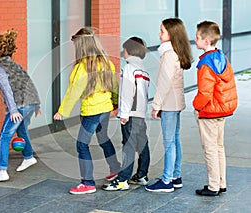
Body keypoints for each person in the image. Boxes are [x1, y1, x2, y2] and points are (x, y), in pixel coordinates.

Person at [53, 27, 121, 195]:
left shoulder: (82, 67)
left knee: (82, 144)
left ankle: (87, 182)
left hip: (91, 112)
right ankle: (116, 169)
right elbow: (114, 86)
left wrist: (63, 111)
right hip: (105, 108)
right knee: (103, 138)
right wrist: (115, 104)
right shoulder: (107, 62)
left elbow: (73, 90)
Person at [145, 18, 193, 192]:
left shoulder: (168, 54)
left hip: (169, 104)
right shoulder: (176, 52)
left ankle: (166, 181)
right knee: (174, 140)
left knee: (169, 142)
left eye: (162, 31)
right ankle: (175, 176)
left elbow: (164, 83)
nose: (159, 34)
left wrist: (156, 105)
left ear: (172, 34)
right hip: (176, 102)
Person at [0, 30, 41, 182]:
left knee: (4, 136)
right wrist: (36, 104)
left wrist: (13, 110)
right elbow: (28, 82)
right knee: (22, 131)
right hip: (30, 103)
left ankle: (2, 170)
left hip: (19, 106)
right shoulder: (14, 65)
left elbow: (7, 90)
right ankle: (29, 157)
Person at [193, 21, 238, 196]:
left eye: (197, 37)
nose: (195, 40)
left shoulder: (205, 64)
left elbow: (204, 93)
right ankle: (221, 183)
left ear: (206, 41)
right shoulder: (221, 57)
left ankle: (213, 186)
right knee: (219, 147)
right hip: (222, 109)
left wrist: (196, 107)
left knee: (210, 149)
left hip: (209, 112)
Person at [103, 37, 150, 191]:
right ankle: (141, 174)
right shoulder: (143, 69)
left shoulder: (129, 68)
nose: (123, 53)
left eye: (124, 50)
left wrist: (123, 113)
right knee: (142, 144)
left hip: (130, 113)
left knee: (128, 145)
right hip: (140, 114)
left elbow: (127, 92)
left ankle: (123, 179)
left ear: (129, 51)